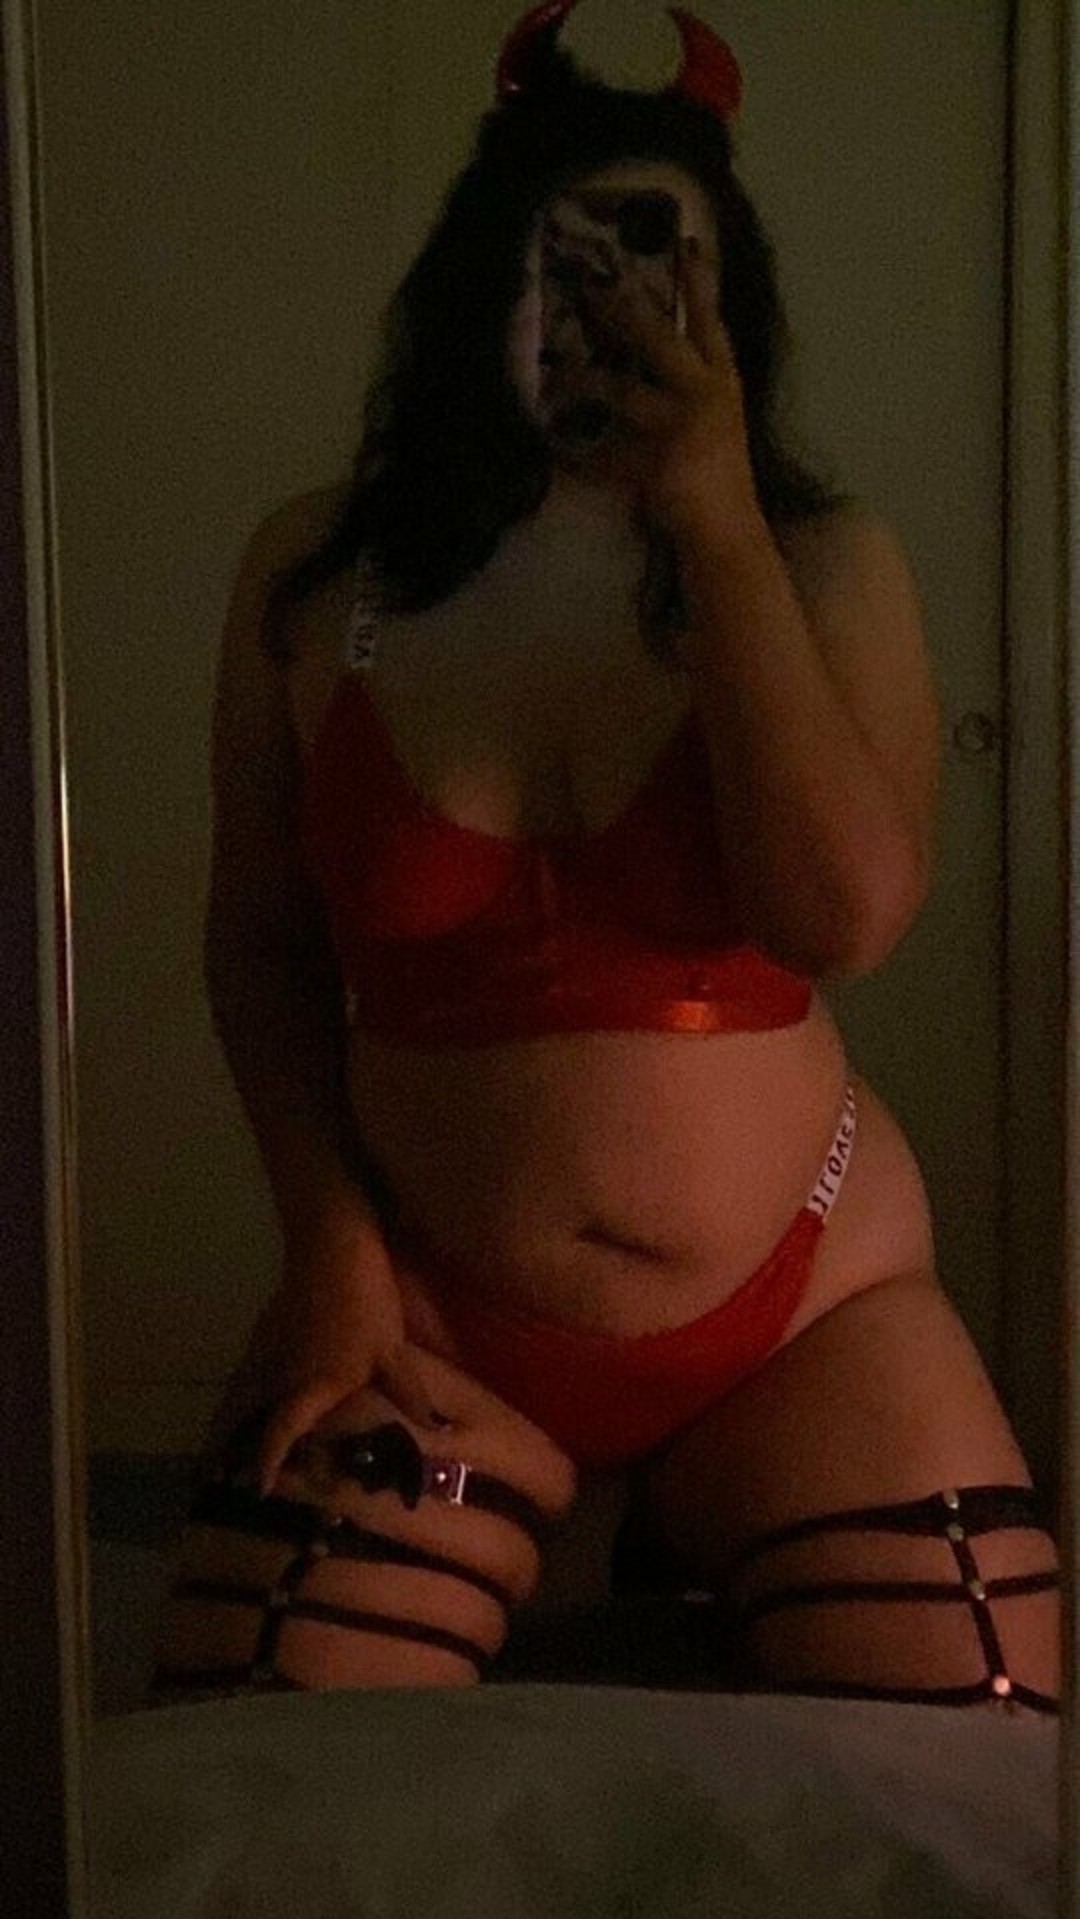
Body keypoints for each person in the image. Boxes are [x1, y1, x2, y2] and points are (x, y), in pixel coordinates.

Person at [151, 0, 1059, 1708]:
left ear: (730, 305)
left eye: (659, 260)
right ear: (475, 283)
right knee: (259, 1760)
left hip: (809, 1306)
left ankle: (691, 1526)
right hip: (425, 1303)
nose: (603, 303)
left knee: (980, 1735)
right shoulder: (320, 576)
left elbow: (846, 915)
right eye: (561, 259)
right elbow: (259, 946)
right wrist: (330, 1253)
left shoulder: (824, 560)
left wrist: (712, 516)